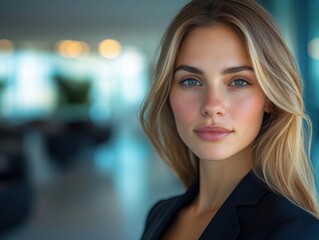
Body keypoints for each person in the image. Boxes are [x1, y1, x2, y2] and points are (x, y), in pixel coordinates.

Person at [139, 0, 319, 239]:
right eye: (191, 81)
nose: (212, 107)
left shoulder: (294, 230)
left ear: (269, 98)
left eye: (238, 81)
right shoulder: (160, 214)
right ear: (168, 93)